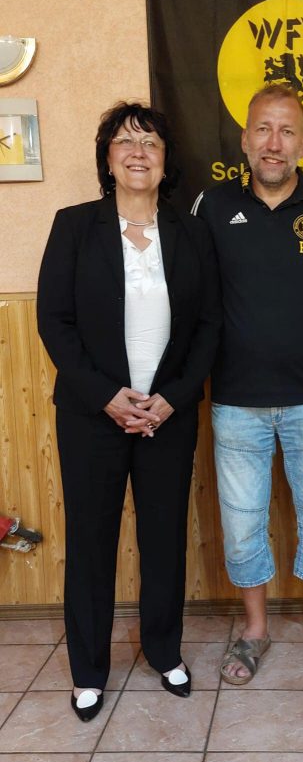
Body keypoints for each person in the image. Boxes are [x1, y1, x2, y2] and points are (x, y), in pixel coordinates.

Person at [37, 102, 221, 720]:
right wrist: (107, 396)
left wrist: (173, 397)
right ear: (107, 159)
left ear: (166, 162)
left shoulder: (192, 233)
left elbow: (209, 326)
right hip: (92, 415)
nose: (138, 152)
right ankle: (88, 670)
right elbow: (55, 322)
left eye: (151, 143)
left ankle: (164, 651)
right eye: (125, 141)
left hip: (168, 414)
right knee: (91, 541)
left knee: (164, 539)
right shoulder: (74, 226)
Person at [193, 84, 303, 687]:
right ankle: (255, 629)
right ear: (244, 139)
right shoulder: (211, 205)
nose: (274, 142)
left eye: (287, 131)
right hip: (235, 400)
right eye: (263, 129)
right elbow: (194, 298)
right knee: (242, 525)